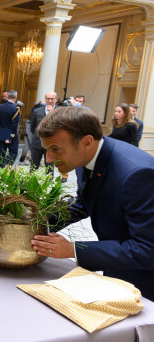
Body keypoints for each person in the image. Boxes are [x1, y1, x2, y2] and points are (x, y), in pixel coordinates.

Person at [30, 106, 154, 300]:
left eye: (56, 149)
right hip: (117, 269)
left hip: (145, 282)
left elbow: (147, 249)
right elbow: (85, 203)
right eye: (47, 149)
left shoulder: (136, 174)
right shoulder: (85, 157)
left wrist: (73, 249)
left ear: (86, 142)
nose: (49, 159)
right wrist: (35, 220)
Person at [29, 92, 58, 171]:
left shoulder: (59, 112)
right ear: (45, 99)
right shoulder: (37, 111)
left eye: (52, 99)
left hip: (51, 144)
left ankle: (48, 183)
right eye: (48, 99)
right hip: (37, 142)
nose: (50, 100)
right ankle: (31, 182)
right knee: (33, 167)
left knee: (49, 168)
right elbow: (32, 127)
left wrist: (52, 113)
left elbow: (60, 127)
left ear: (56, 99)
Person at [0, 90, 20, 168]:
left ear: (8, 96)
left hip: (1, 132)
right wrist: (11, 137)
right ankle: (5, 166)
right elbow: (14, 125)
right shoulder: (16, 109)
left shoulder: (0, 107)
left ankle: (1, 168)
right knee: (13, 152)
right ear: (16, 97)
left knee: (2, 153)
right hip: (10, 134)